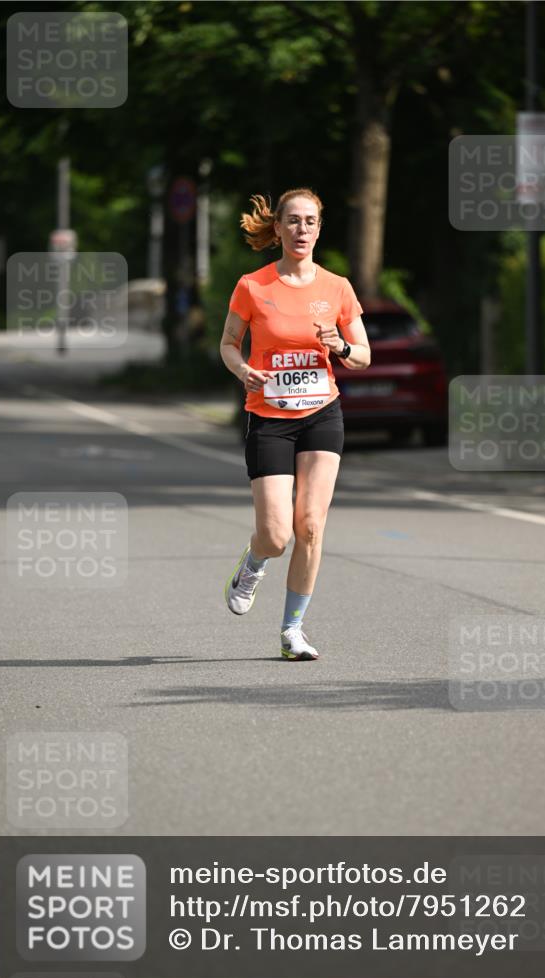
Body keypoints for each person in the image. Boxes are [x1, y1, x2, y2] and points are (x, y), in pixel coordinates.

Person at [219, 188, 371, 660]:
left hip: (322, 413)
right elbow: (228, 343)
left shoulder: (338, 287)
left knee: (310, 526)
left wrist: (340, 347)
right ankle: (254, 561)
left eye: (310, 221)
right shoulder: (253, 286)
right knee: (277, 534)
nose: (302, 229)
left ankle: (292, 631)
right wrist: (244, 370)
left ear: (319, 229)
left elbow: (363, 355)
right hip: (268, 417)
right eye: (293, 221)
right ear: (279, 229)